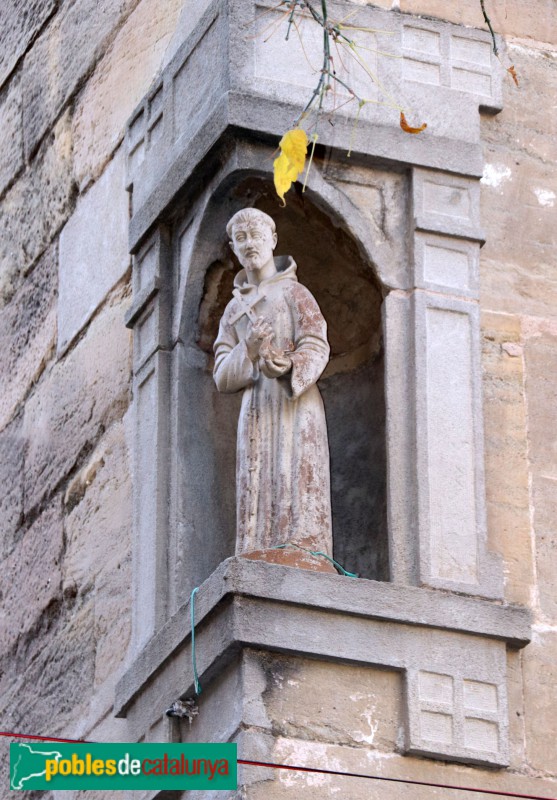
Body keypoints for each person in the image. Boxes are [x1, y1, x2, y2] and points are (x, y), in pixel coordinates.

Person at [213, 208, 333, 560]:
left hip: (295, 403)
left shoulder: (296, 294)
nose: (250, 244)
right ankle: (257, 552)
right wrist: (248, 350)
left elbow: (316, 343)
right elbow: (221, 374)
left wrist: (289, 364)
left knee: (296, 477)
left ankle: (305, 551)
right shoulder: (234, 311)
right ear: (233, 247)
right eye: (242, 238)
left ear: (273, 241)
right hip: (257, 408)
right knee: (259, 479)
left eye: (257, 236)